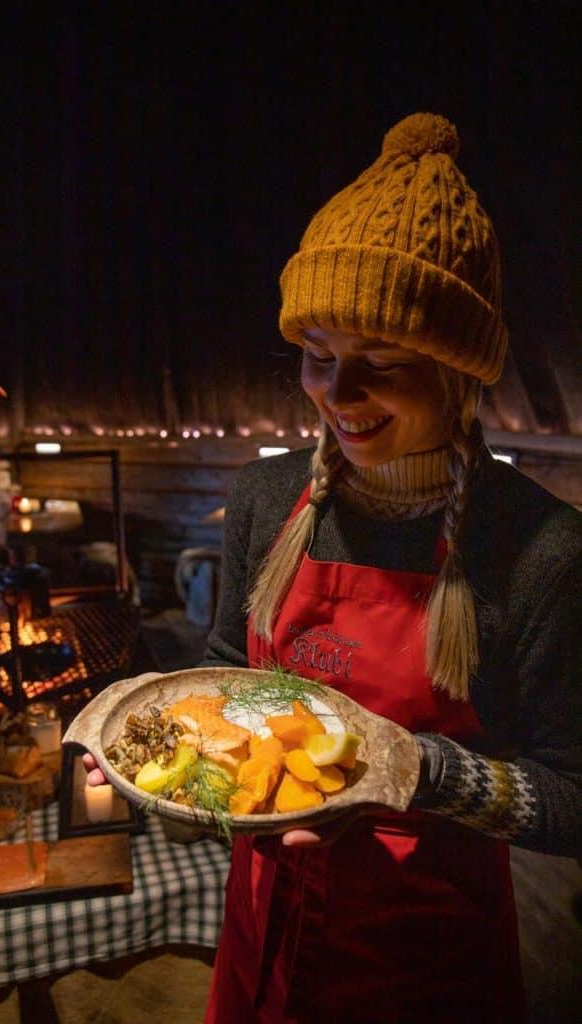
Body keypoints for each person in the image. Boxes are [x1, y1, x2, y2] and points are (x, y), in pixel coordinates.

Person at [85, 113, 582, 1023]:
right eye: (317, 359)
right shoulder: (267, 501)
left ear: (460, 373)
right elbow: (227, 672)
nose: (337, 397)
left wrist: (412, 771)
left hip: (428, 949)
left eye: (382, 363)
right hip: (264, 923)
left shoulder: (543, 549)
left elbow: (573, 794)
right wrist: (169, 752)